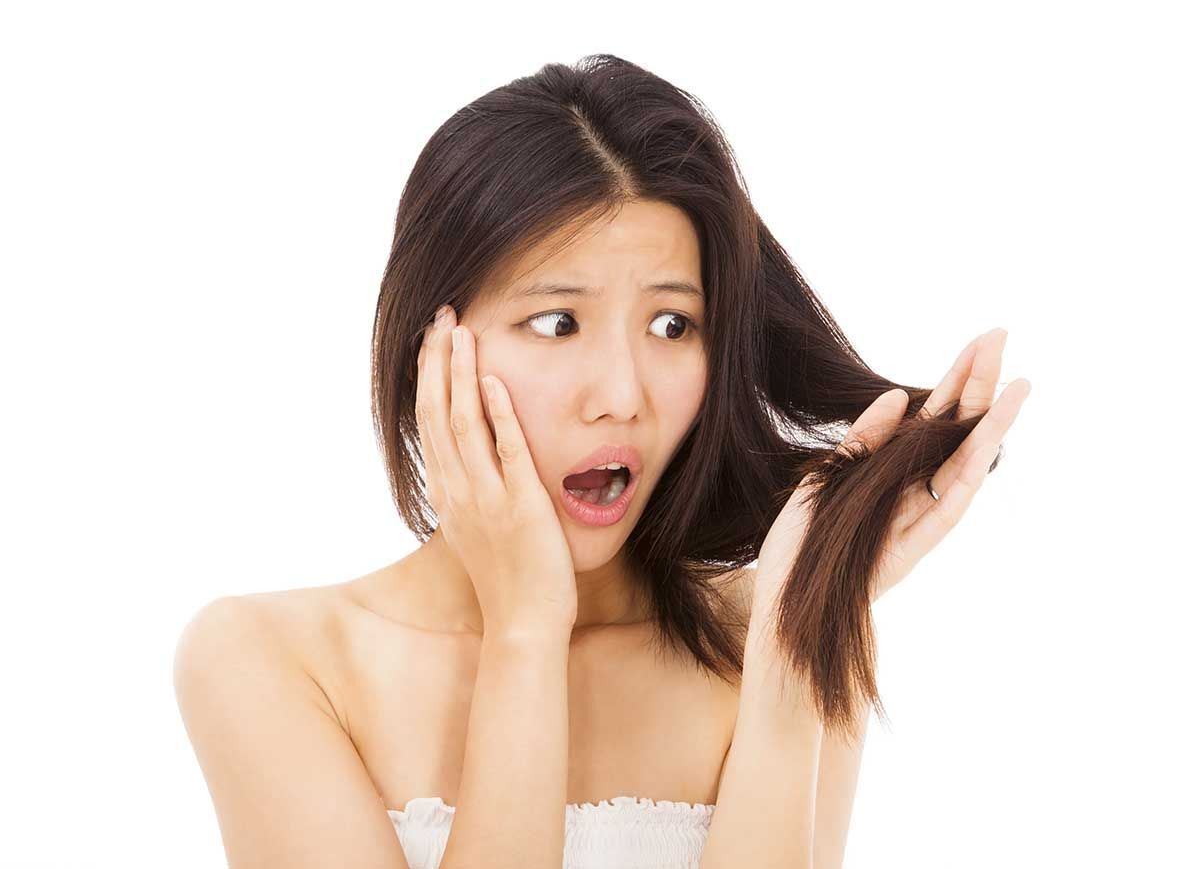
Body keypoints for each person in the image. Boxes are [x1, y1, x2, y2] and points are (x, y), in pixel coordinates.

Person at [173, 54, 1030, 869]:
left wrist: (794, 633)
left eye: (671, 325)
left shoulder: (773, 628)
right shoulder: (268, 660)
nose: (622, 394)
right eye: (557, 322)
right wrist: (523, 628)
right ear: (429, 351)